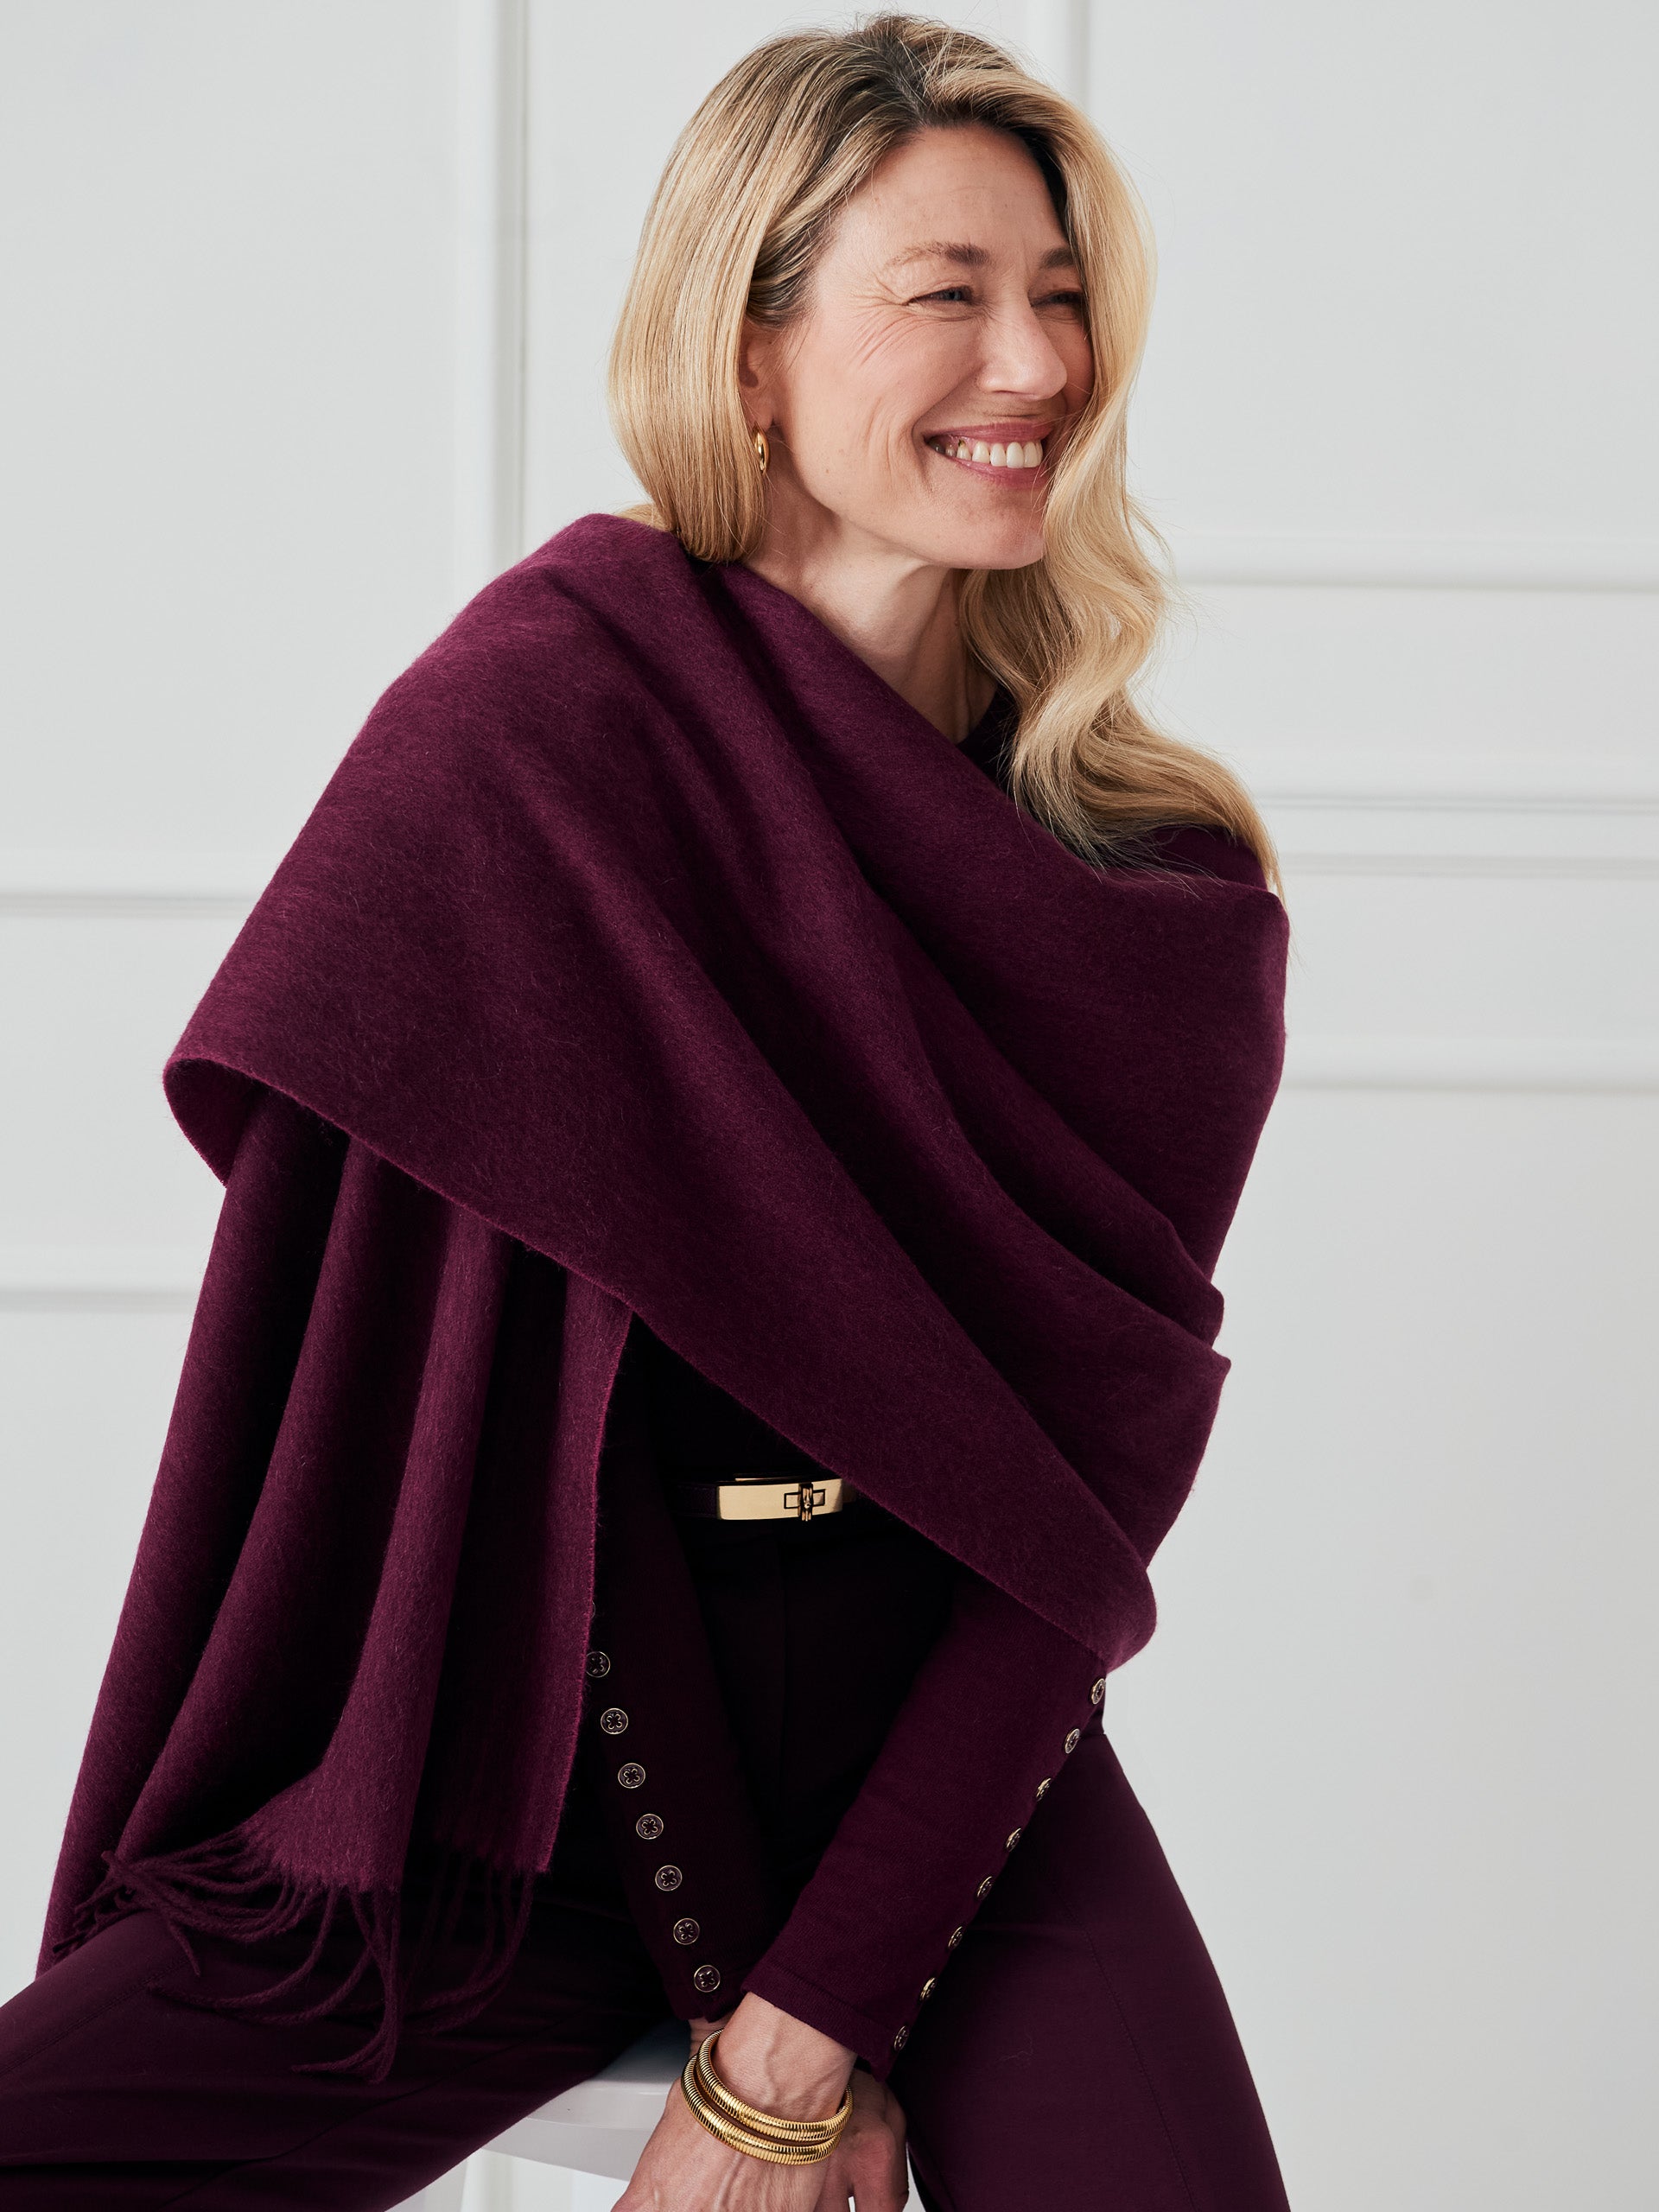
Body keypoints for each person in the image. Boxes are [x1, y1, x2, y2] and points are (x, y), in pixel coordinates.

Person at [0, 16, 1294, 2209]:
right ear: (750, 348)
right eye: (950, 291)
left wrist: (805, 2025)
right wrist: (718, 1948)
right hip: (521, 1767)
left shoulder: (1152, 888)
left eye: (1063, 293)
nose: (1039, 364)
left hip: (953, 1778)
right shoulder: (532, 732)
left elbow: (1077, 1533)